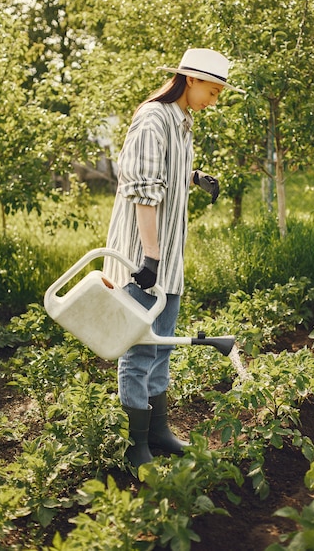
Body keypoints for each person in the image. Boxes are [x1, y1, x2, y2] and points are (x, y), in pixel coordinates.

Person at [104, 48, 243, 467]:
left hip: (168, 258)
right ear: (189, 80)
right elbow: (143, 190)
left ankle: (159, 430)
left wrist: (194, 176)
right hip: (145, 257)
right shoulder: (152, 118)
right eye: (213, 90)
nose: (214, 99)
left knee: (161, 346)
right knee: (140, 348)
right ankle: (136, 445)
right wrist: (149, 259)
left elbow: (166, 169)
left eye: (219, 92)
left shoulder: (183, 122)